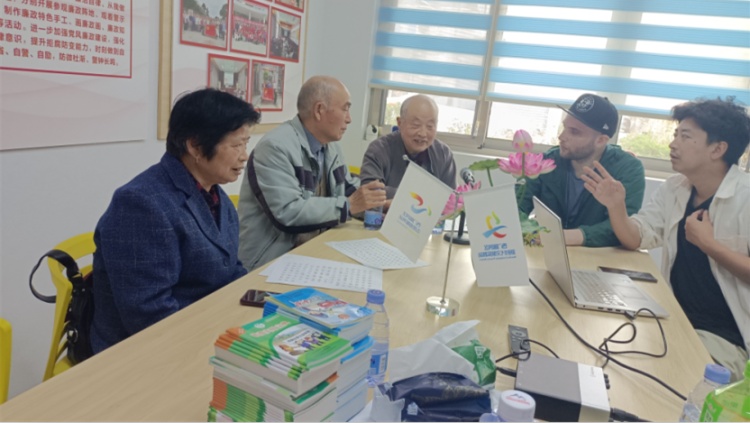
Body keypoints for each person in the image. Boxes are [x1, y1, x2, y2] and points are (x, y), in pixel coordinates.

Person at [582, 97, 750, 380]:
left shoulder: (745, 197)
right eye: (675, 135)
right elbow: (636, 238)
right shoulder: (676, 188)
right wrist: (616, 207)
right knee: (599, 349)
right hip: (674, 319)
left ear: (718, 149)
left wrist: (709, 245)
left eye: (685, 137)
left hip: (726, 339)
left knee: (651, 379)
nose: (673, 144)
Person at [90, 89, 261, 353]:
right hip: (144, 350)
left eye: (245, 144)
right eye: (236, 145)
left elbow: (231, 269)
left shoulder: (216, 195)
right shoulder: (141, 204)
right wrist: (220, 343)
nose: (244, 155)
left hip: (207, 327)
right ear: (195, 146)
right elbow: (149, 314)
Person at [237, 75, 386, 271]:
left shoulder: (331, 147)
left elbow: (348, 189)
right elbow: (287, 213)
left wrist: (380, 202)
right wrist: (349, 206)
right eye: (345, 109)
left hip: (313, 254)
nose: (349, 119)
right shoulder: (275, 148)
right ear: (319, 110)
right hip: (268, 265)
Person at [517, 93, 645, 247]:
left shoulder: (627, 169)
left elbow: (626, 228)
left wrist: (566, 236)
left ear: (601, 140)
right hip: (548, 253)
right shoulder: (546, 161)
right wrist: (528, 227)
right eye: (564, 127)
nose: (562, 136)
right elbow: (514, 207)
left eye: (574, 132)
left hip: (600, 257)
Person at [359, 94, 456, 201]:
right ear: (400, 123)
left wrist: (393, 194)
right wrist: (423, 197)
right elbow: (370, 195)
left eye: (430, 126)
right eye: (416, 125)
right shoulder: (378, 150)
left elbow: (451, 200)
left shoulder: (443, 154)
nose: (423, 134)